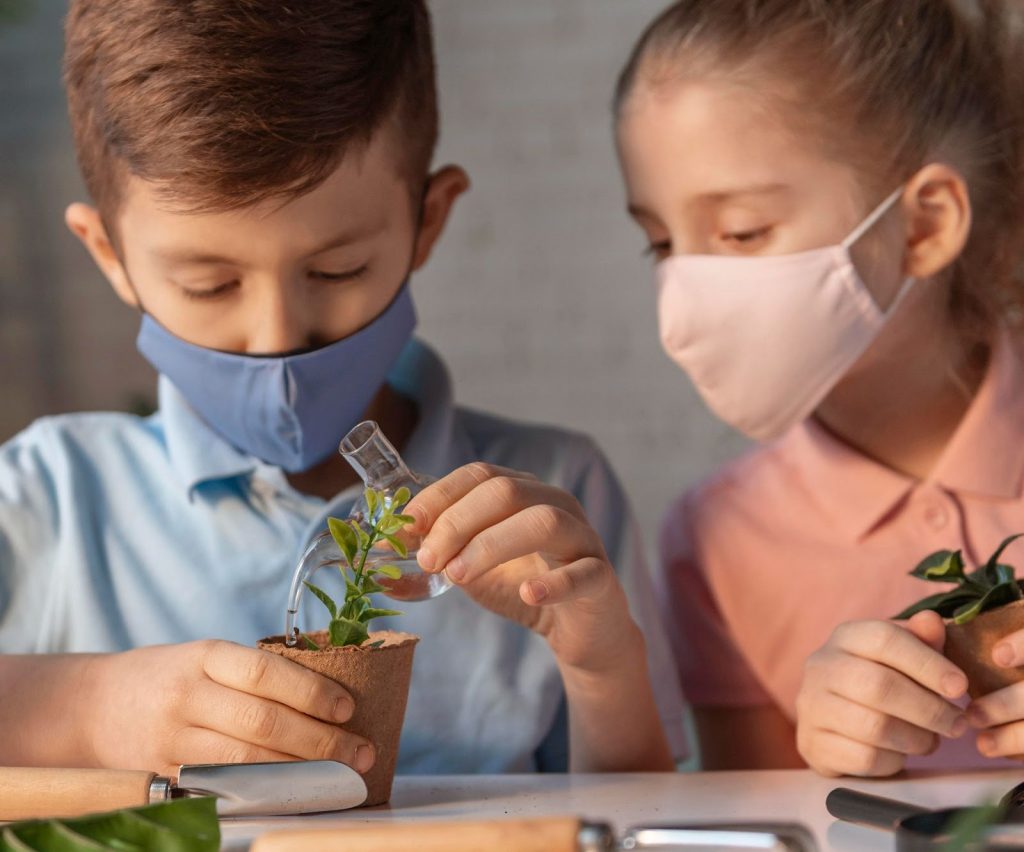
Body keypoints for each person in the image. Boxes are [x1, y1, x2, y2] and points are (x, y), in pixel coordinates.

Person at [0, 0, 684, 778]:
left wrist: (603, 666)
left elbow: (644, 811)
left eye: (337, 271)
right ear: (108, 253)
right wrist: (89, 708)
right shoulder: (43, 497)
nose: (278, 339)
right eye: (208, 283)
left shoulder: (557, 497)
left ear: (428, 221)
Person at [613, 0, 1024, 775]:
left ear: (926, 225)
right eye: (660, 244)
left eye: (740, 231)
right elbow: (760, 819)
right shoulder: (714, 541)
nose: (685, 294)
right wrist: (821, 761)